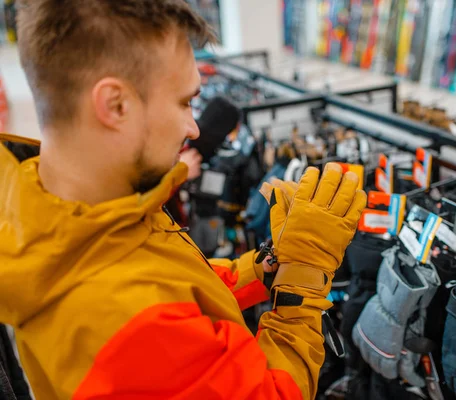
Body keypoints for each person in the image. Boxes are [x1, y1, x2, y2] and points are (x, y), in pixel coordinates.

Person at [0, 2, 366, 400]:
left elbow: (174, 282)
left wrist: (263, 269)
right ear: (115, 105)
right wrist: (303, 280)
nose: (193, 127)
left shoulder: (70, 206)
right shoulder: (128, 322)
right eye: (183, 102)